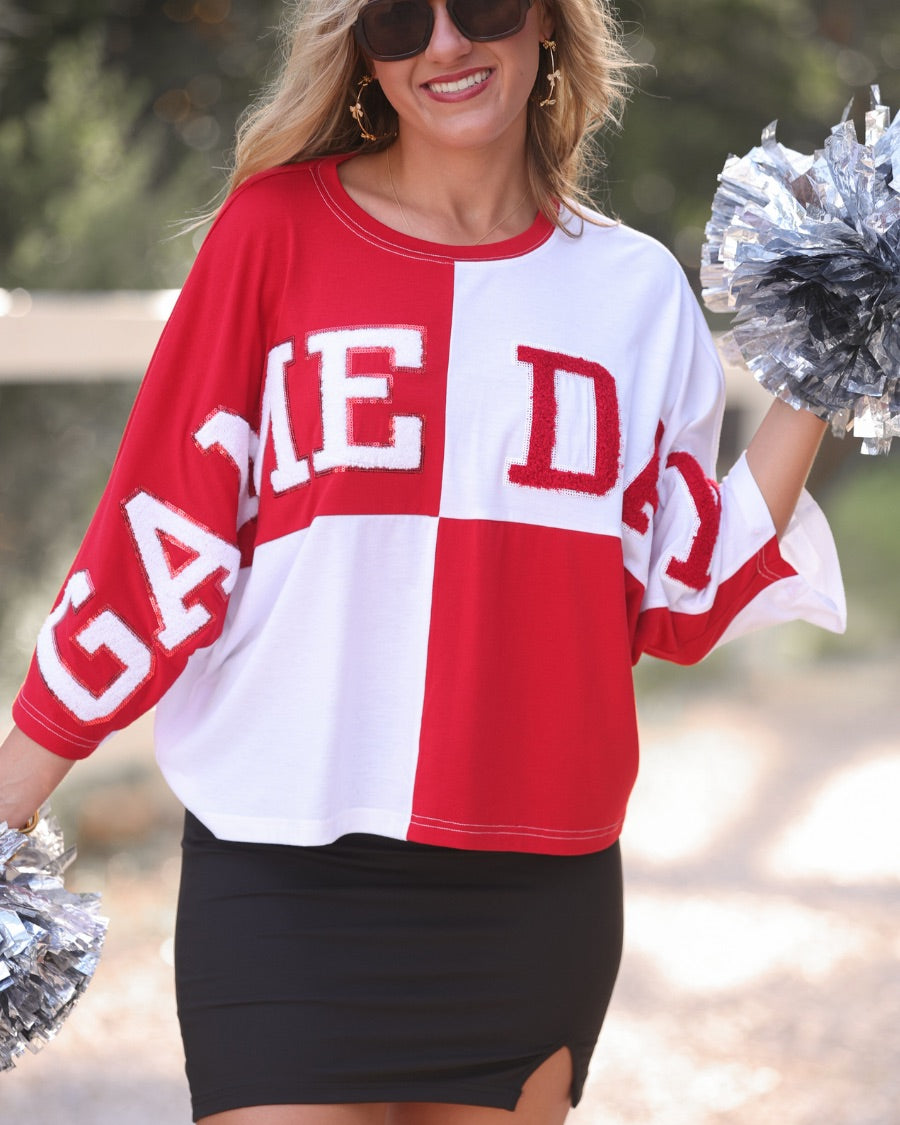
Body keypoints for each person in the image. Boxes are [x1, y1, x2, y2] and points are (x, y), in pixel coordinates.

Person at [0, 0, 846, 1122]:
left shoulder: (633, 289)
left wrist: (836, 350)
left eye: (481, 5)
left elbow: (679, 595)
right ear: (363, 51)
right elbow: (161, 537)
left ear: (548, 24)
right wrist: (12, 796)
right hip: (281, 856)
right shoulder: (272, 233)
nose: (444, 43)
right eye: (400, 19)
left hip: (531, 879)